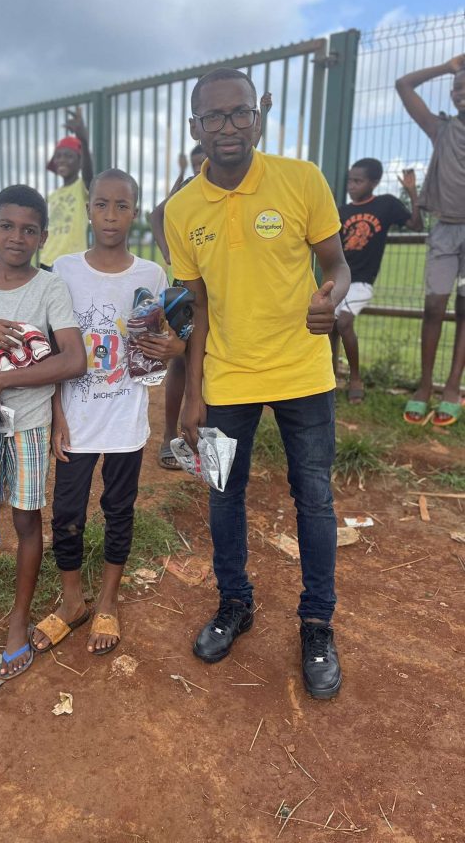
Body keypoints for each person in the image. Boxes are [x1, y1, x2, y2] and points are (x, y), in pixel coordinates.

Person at [165, 67, 350, 699]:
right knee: (222, 496)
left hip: (304, 373)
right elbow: (200, 308)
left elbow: (337, 264)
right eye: (213, 118)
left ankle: (317, 623)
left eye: (238, 113)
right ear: (196, 128)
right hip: (228, 379)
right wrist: (193, 392)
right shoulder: (183, 210)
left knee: (315, 498)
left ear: (257, 115)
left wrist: (333, 299)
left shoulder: (301, 181)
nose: (228, 127)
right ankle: (234, 604)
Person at [31, 169, 185, 656]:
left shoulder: (151, 276)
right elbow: (56, 349)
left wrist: (166, 349)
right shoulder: (64, 269)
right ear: (89, 210)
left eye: (122, 206)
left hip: (125, 422)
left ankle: (108, 601)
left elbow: (159, 349)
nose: (111, 216)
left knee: (119, 511)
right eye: (101, 205)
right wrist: (58, 415)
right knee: (67, 513)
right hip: (76, 420)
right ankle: (72, 600)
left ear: (135, 212)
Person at [0, 184, 86, 680]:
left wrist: (2, 377)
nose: (17, 237)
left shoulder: (48, 288)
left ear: (42, 237)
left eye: (29, 229)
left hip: (28, 423)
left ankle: (19, 619)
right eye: (7, 226)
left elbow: (74, 359)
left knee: (28, 523)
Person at [151, 93, 272, 471]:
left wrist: (262, 113)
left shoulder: (241, 176)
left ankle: (211, 442)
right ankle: (173, 436)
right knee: (185, 362)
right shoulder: (190, 189)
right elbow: (160, 215)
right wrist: (173, 255)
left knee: (213, 363)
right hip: (192, 289)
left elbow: (251, 135)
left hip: (228, 290)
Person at [396, 55, 465, 426]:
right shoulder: (441, 129)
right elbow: (404, 85)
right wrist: (448, 67)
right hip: (445, 229)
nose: (461, 94)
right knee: (435, 305)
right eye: (458, 89)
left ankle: (453, 386)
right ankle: (424, 386)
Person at [333, 159, 422, 403]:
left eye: (358, 181)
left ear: (374, 182)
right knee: (328, 326)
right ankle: (328, 378)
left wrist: (412, 193)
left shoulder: (386, 205)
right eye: (350, 180)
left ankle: (355, 379)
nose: (352, 185)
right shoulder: (342, 212)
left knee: (344, 323)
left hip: (362, 282)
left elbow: (416, 225)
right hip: (340, 278)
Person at [41, 107, 95, 266]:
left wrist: (83, 140)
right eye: (58, 156)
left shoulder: (81, 187)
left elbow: (88, 177)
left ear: (80, 162)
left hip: (72, 262)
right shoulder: (52, 195)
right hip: (47, 260)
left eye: (68, 156)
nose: (62, 160)